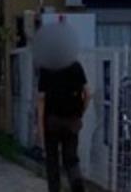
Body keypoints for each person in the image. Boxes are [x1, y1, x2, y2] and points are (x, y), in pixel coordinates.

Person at [37, 57, 89, 192]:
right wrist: (80, 112)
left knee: (52, 161)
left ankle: (54, 189)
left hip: (52, 121)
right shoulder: (76, 66)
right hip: (72, 120)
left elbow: (42, 99)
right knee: (71, 158)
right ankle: (77, 185)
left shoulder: (46, 67)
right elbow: (87, 93)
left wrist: (40, 127)